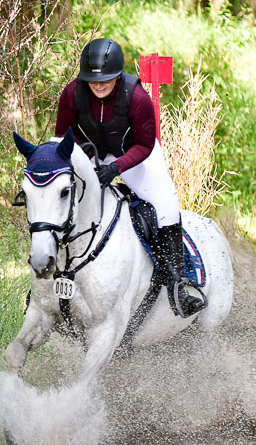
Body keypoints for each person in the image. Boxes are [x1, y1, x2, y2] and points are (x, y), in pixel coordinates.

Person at [55, 36, 206, 318]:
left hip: (136, 155)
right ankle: (46, 279)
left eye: (106, 80)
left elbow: (145, 145)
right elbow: (62, 136)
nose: (99, 85)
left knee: (166, 203)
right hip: (90, 155)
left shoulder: (136, 97)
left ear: (117, 75)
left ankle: (177, 284)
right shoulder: (72, 93)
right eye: (93, 80)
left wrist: (116, 167)